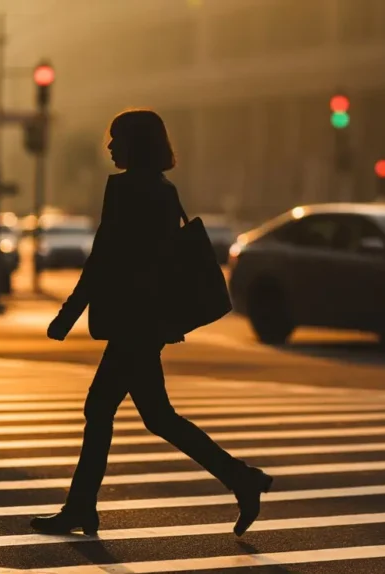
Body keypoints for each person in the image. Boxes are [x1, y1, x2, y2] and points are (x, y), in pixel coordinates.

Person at [31, 109, 273, 538]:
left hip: (133, 320)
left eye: (116, 138)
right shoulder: (164, 189)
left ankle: (81, 508)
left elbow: (104, 257)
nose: (110, 147)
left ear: (134, 144)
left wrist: (69, 313)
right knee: (156, 416)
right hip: (148, 319)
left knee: (103, 408)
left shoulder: (127, 189)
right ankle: (241, 479)